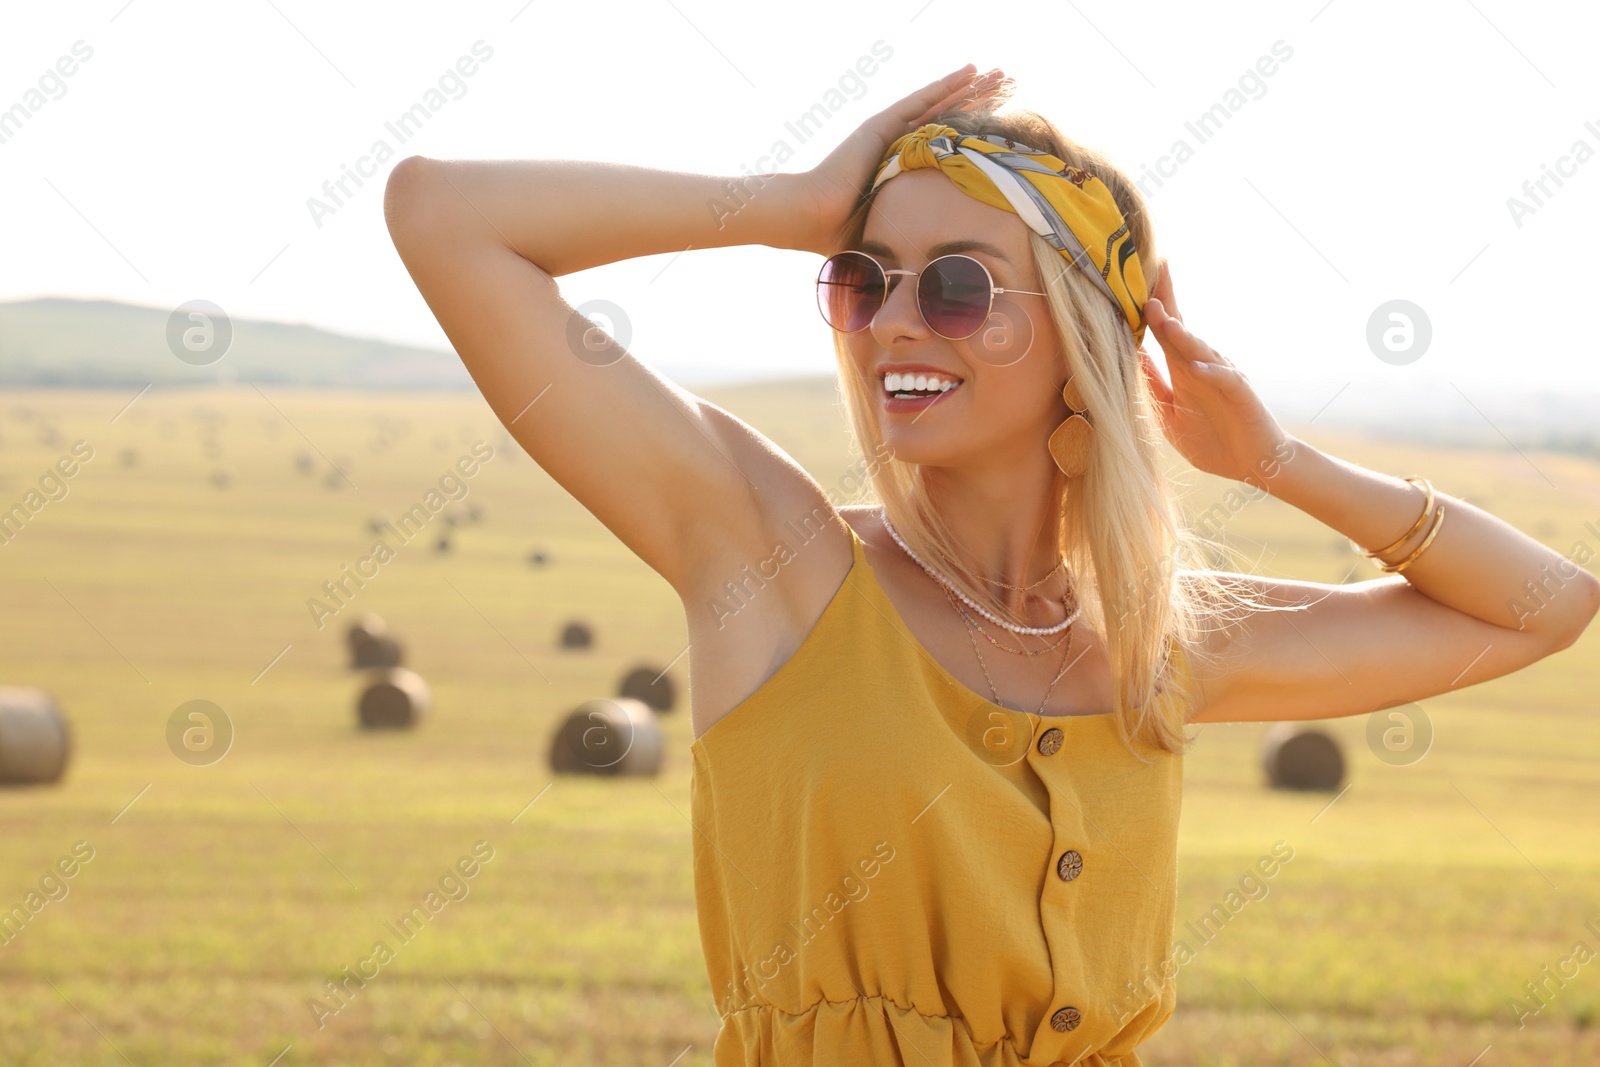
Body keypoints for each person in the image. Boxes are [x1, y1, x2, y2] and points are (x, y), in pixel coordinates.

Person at [384, 64, 1598, 1066]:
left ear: (1079, 336)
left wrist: (1277, 461)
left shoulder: (1154, 644)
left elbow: (1549, 604)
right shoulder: (777, 562)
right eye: (862, 279)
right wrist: (795, 204)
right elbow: (443, 215)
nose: (898, 318)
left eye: (959, 285)